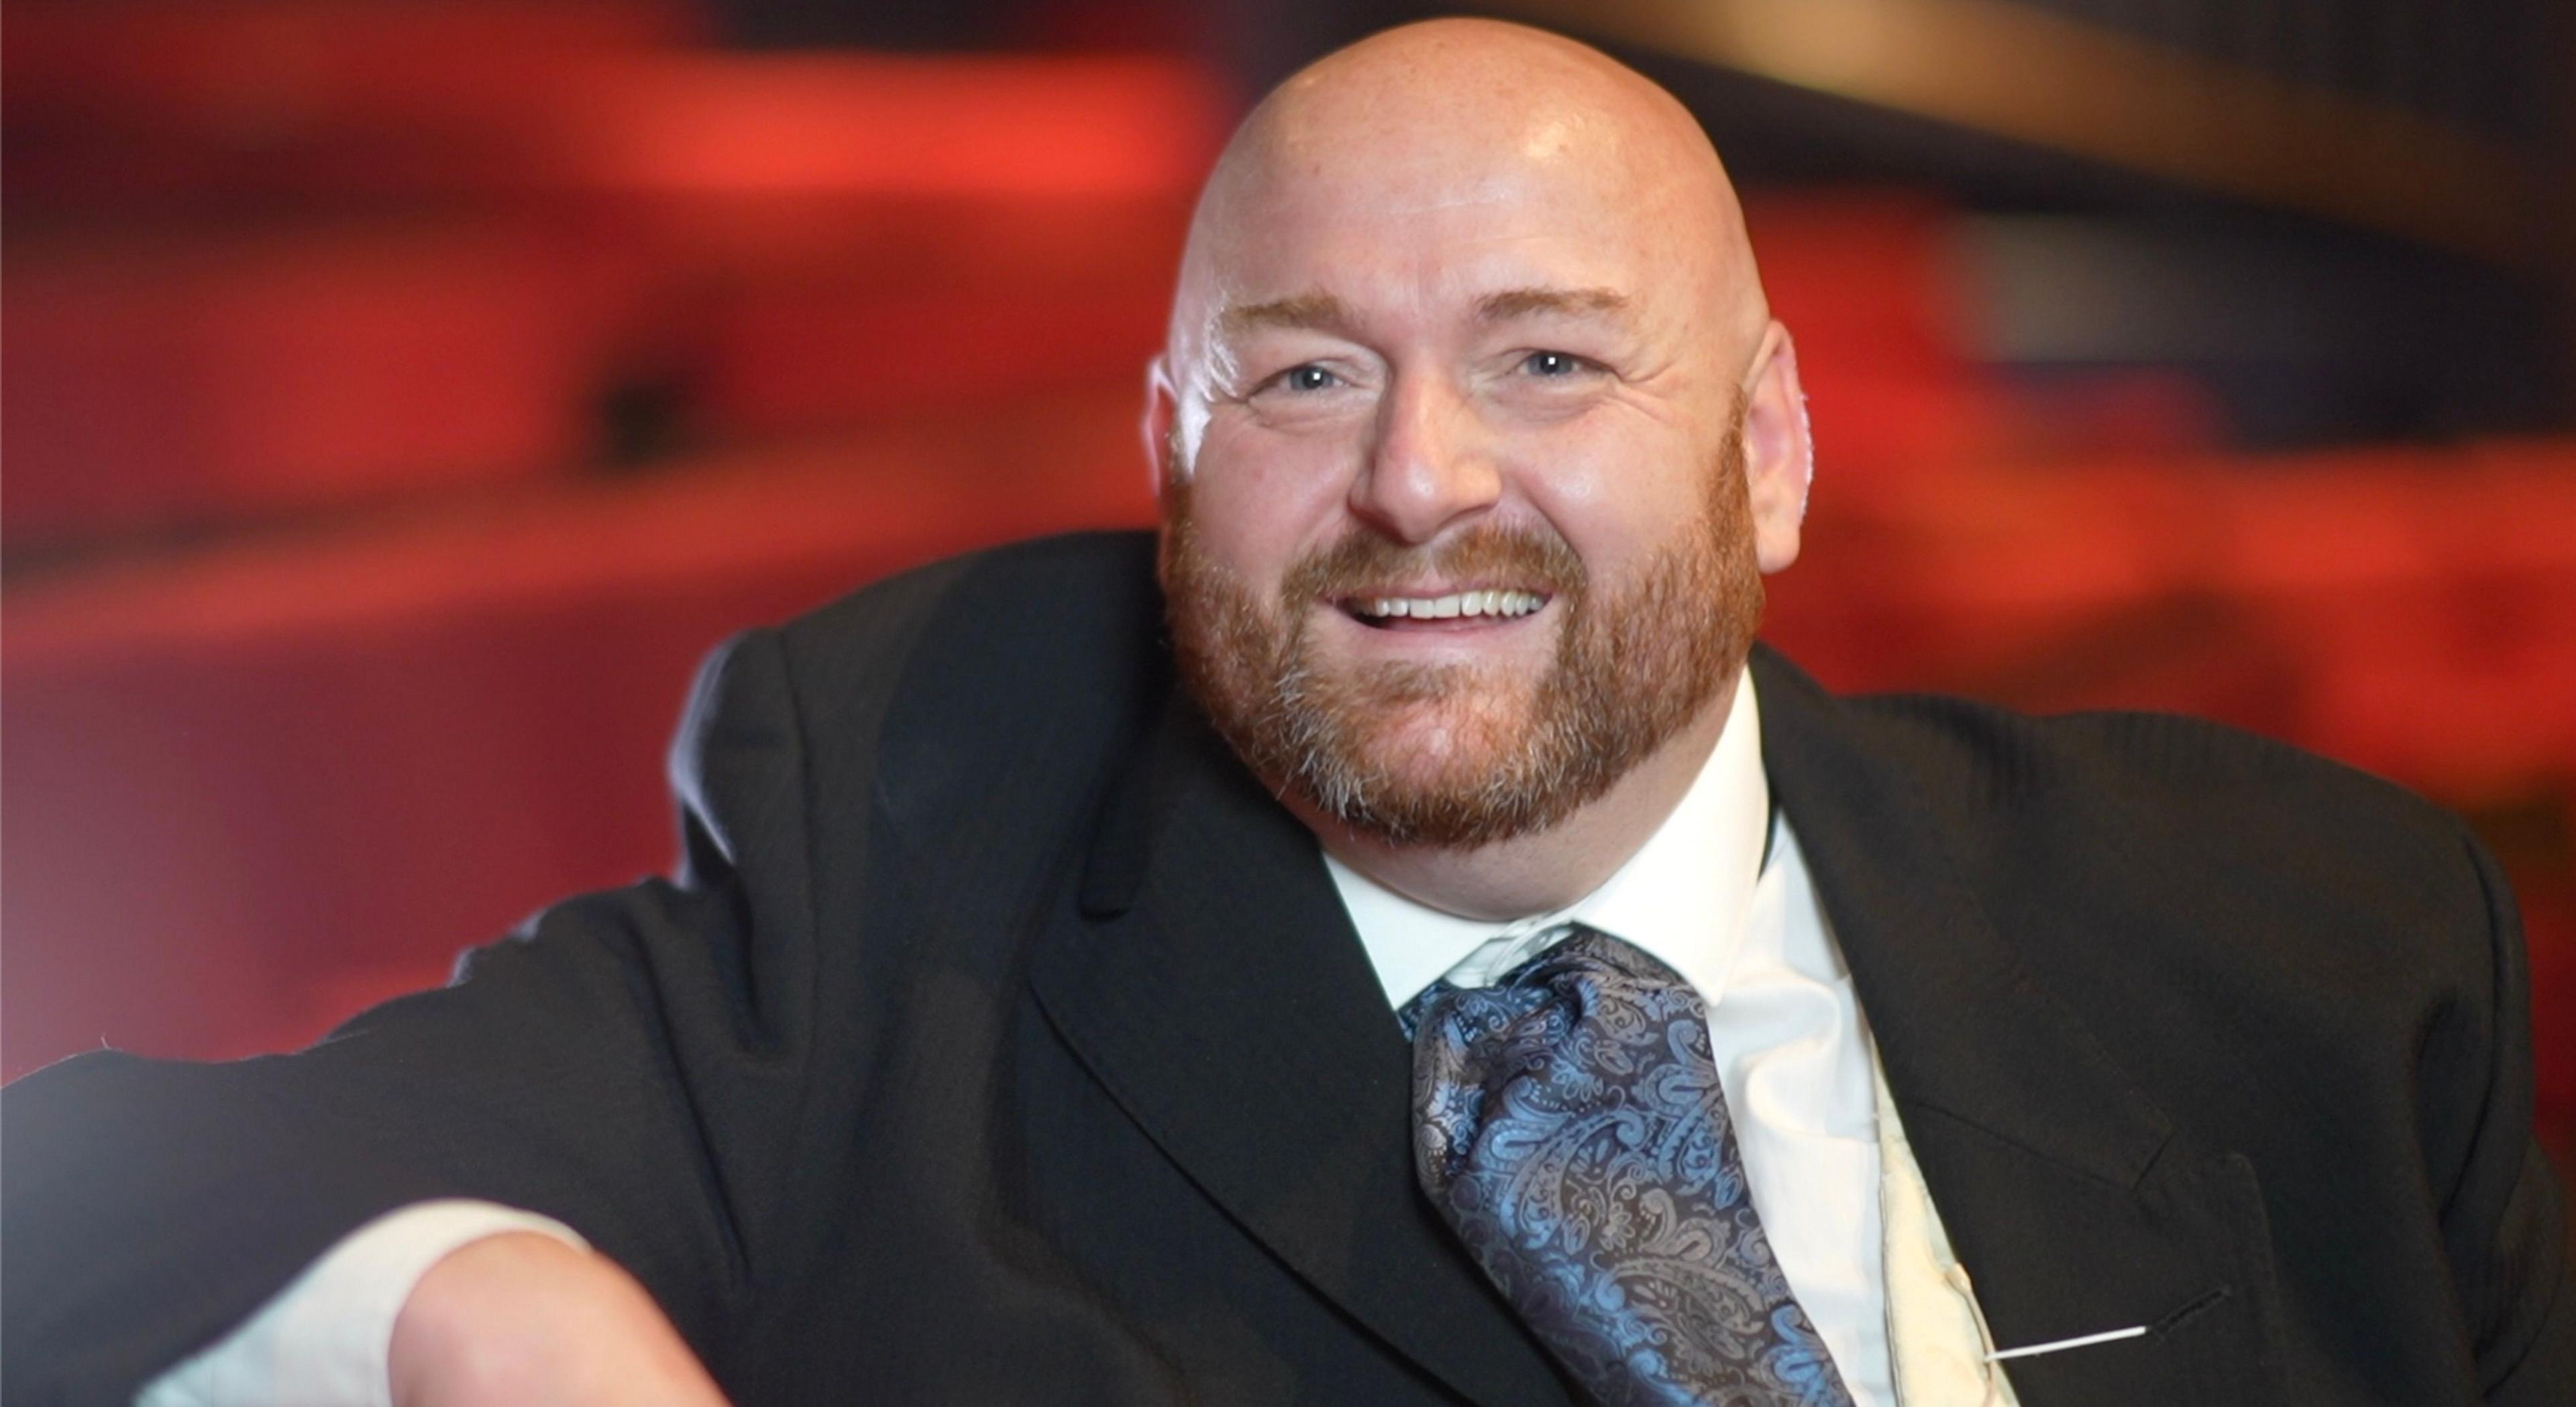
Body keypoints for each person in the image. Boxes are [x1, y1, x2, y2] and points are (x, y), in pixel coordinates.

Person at [7, 18, 2570, 1407]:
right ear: (1167, 452)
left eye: (1548, 359)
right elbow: (77, 1209)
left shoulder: (2326, 942)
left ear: (1771, 448)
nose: (1416, 482)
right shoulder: (890, 856)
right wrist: (470, 1306)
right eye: (1306, 374)